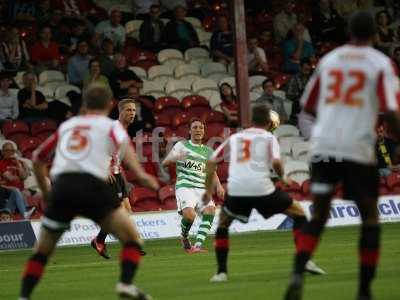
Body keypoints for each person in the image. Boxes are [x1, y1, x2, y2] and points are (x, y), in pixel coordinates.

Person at [284, 11, 400, 300]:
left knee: (319, 215)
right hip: (357, 148)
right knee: (370, 217)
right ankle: (363, 291)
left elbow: (308, 106)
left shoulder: (330, 60)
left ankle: (297, 274)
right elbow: (391, 110)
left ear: (348, 32)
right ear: (375, 34)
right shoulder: (380, 63)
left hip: (324, 147)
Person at [18, 84, 159, 300]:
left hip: (63, 188)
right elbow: (127, 152)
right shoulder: (110, 126)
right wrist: (142, 176)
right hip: (93, 185)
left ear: (85, 103)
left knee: (42, 251)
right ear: (110, 105)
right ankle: (125, 284)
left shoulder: (68, 126)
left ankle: (24, 296)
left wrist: (46, 192)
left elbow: (38, 157)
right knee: (132, 239)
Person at [202, 103, 325, 283]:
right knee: (299, 213)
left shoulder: (235, 137)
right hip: (262, 189)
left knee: (223, 225)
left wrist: (207, 191)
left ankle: (221, 272)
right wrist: (283, 177)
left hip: (236, 190)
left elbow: (211, 162)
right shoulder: (268, 137)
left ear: (251, 120)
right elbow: (276, 162)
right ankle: (305, 261)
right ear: (268, 122)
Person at [162, 118, 225, 252]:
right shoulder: (181, 145)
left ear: (204, 131)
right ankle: (184, 237)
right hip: (185, 186)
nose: (198, 130)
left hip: (202, 188)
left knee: (211, 210)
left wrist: (219, 186)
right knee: (190, 216)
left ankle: (197, 246)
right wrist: (177, 157)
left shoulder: (208, 151)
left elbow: (212, 172)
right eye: (195, 127)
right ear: (189, 131)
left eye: (200, 128)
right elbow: (165, 163)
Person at [91, 98, 144, 259]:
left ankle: (99, 240)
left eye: (134, 110)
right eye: (128, 110)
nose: (132, 113)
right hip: (107, 173)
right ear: (120, 112)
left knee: (126, 211)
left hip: (116, 173)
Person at [286, 59, 312, 123]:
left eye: (308, 69)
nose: (307, 71)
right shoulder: (294, 79)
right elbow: (289, 94)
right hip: (298, 104)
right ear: (300, 68)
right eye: (305, 69)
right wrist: (300, 95)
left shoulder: (312, 78)